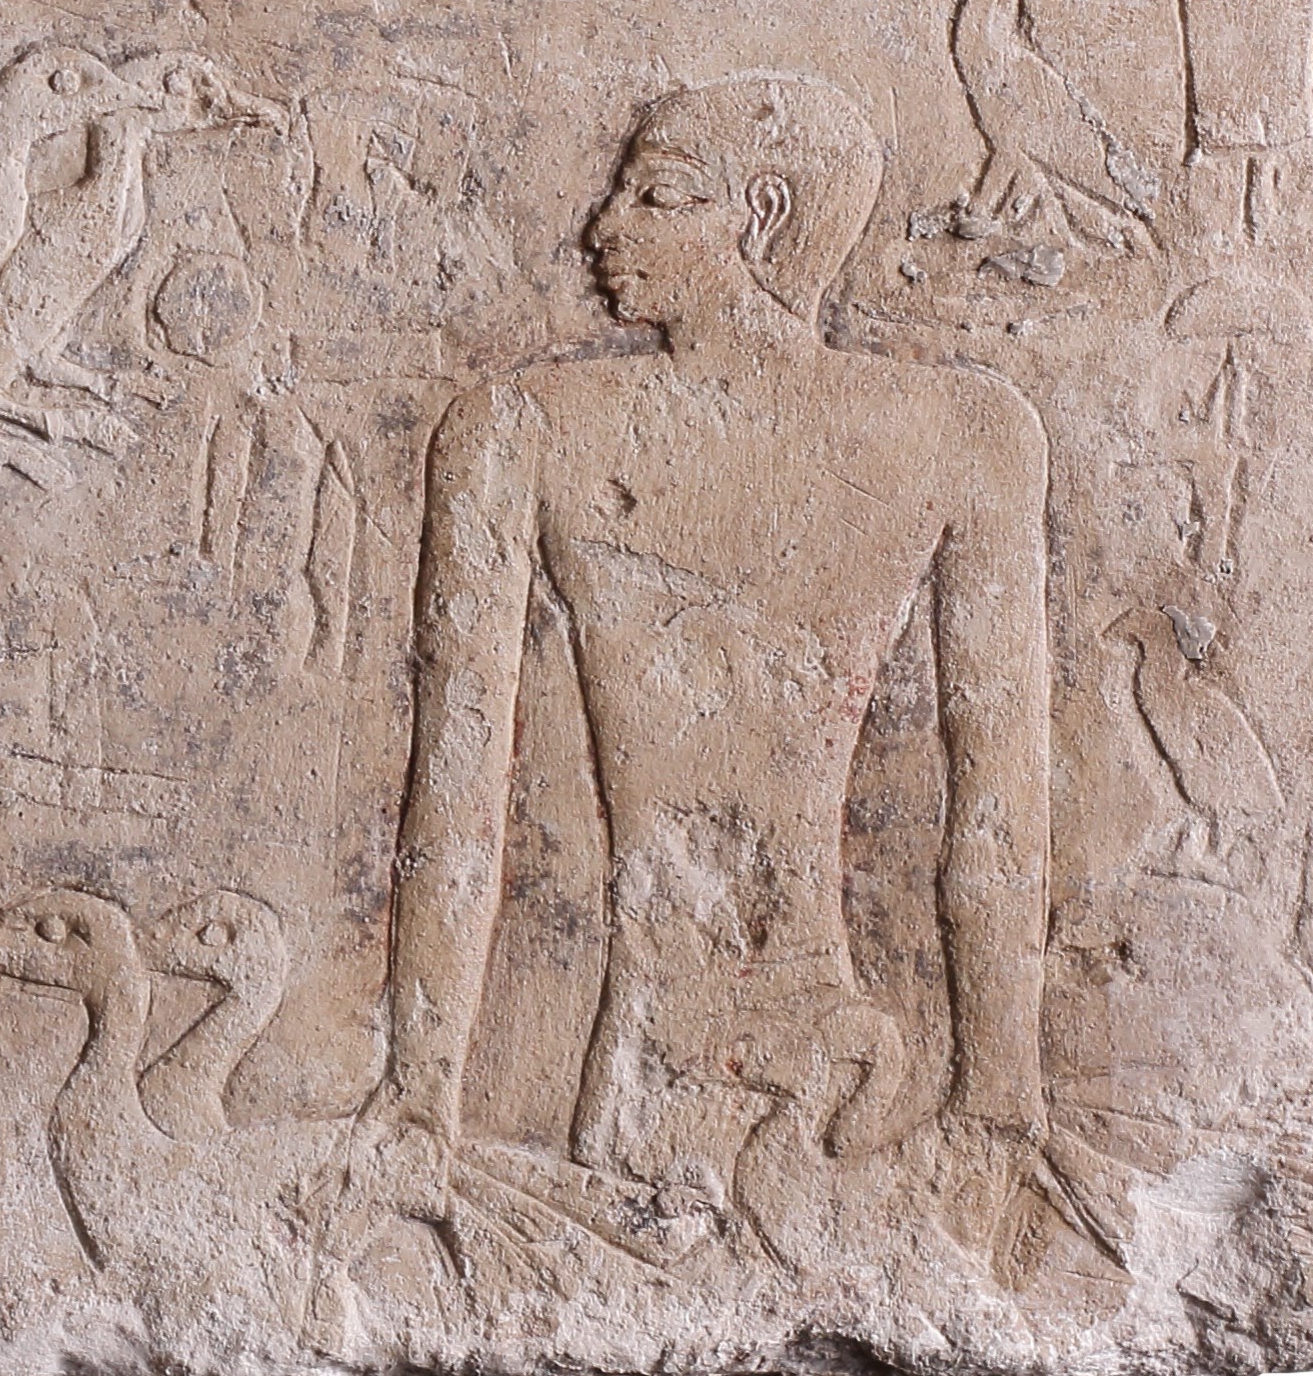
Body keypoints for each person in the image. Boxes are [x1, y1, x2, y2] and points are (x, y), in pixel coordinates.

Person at [338, 76, 1053, 1272]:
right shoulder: (520, 430)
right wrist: (996, 1104)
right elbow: (453, 802)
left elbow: (997, 814)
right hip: (712, 1073)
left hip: (736, 1081)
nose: (602, 226)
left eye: (658, 195)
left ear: (762, 218)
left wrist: (423, 1096)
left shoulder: (526, 429)